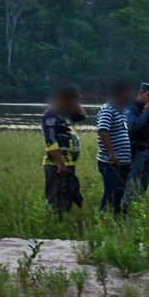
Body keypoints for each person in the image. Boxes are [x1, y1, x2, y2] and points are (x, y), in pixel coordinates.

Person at [41, 85, 87, 214]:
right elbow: (51, 141)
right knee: (55, 202)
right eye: (71, 102)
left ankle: (59, 225)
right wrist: (61, 163)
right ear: (62, 100)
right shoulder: (51, 115)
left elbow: (82, 115)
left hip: (68, 165)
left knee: (66, 200)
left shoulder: (65, 115)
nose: (73, 105)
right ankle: (51, 229)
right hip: (56, 166)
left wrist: (73, 100)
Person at [97, 81, 134, 214]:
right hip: (111, 161)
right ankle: (101, 217)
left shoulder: (122, 110)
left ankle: (115, 218)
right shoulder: (108, 109)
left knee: (119, 193)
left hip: (124, 162)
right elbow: (103, 131)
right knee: (110, 193)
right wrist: (111, 153)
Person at [122, 82, 149, 207]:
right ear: (141, 93)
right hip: (136, 151)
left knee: (144, 182)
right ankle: (126, 209)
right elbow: (131, 126)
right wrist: (145, 113)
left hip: (148, 150)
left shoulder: (148, 109)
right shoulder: (131, 107)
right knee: (133, 181)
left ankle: (136, 207)